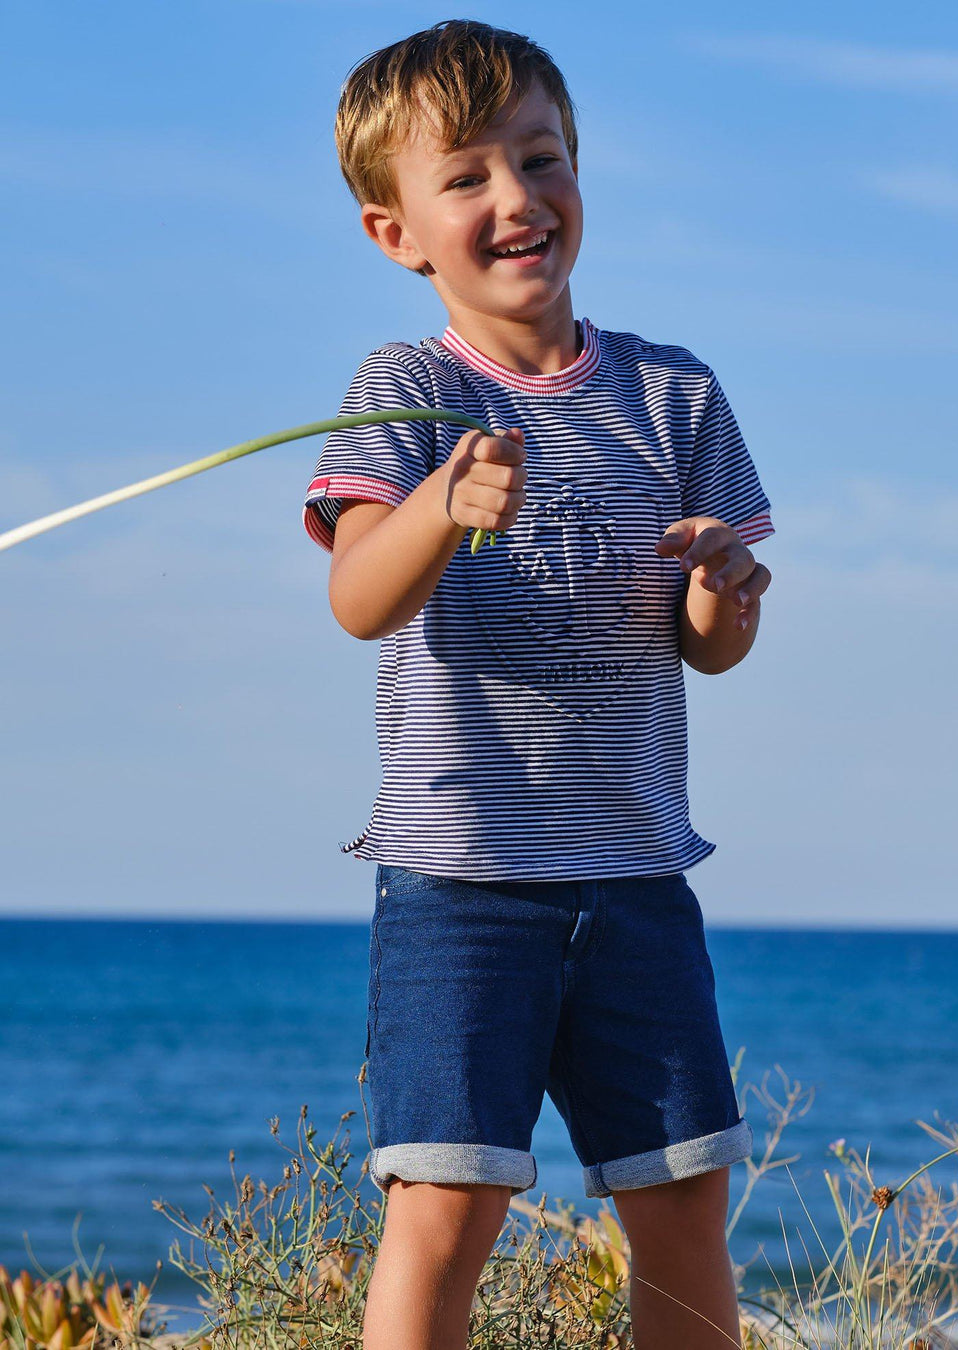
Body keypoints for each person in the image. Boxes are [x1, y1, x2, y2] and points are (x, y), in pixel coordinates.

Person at [302, 19, 775, 1350]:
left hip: (633, 870)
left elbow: (706, 644)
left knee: (682, 1198)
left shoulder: (675, 394)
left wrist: (720, 592)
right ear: (397, 232)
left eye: (540, 156)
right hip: (462, 877)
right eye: (465, 176)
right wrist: (443, 502)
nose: (516, 196)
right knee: (445, 1208)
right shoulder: (408, 388)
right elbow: (358, 597)